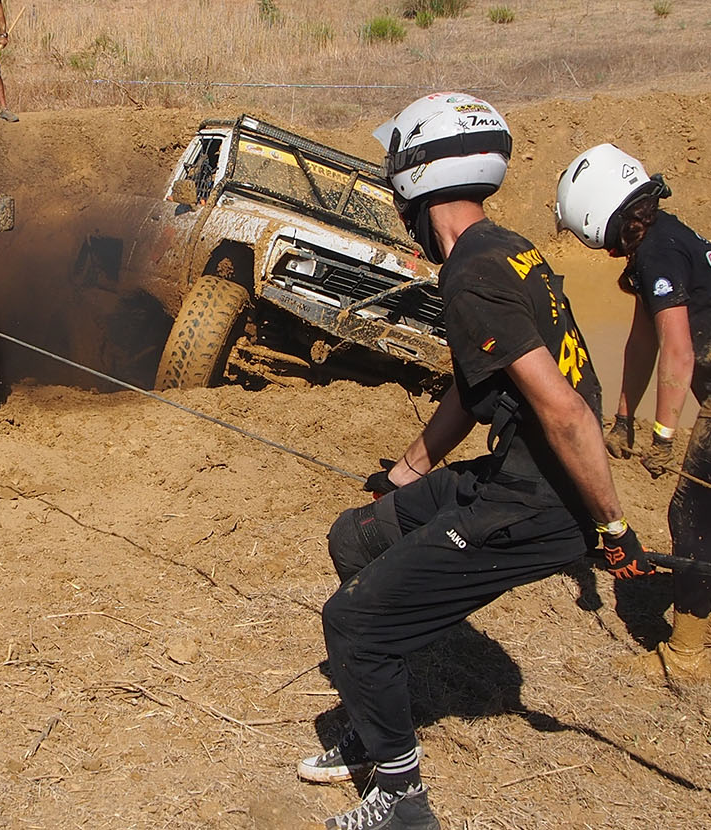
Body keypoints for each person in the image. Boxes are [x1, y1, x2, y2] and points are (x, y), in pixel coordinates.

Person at [299, 93, 654, 830]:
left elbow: (564, 409)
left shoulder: (475, 275)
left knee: (355, 624)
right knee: (356, 536)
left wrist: (611, 527)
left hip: (534, 505)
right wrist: (406, 471)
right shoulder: (507, 248)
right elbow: (477, 385)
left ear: (413, 186)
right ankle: (377, 716)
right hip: (517, 475)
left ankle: (402, 802)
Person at [555, 143, 710, 683]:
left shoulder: (658, 254)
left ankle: (688, 654)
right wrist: (625, 418)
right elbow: (643, 340)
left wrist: (663, 435)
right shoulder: (666, 239)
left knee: (691, 516)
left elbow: (679, 351)